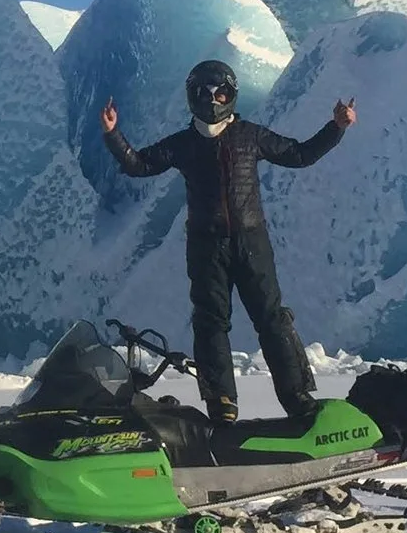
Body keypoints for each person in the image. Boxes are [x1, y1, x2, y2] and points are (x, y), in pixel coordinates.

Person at [100, 61, 356, 423]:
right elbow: (139, 165)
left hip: (251, 242)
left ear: (231, 95)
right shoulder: (184, 143)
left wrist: (337, 127)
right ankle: (222, 403)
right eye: (205, 93)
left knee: (272, 320)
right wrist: (113, 134)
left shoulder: (250, 136)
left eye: (220, 92)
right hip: (207, 247)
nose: (213, 100)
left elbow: (300, 155)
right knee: (211, 322)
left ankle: (298, 398)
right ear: (193, 97)